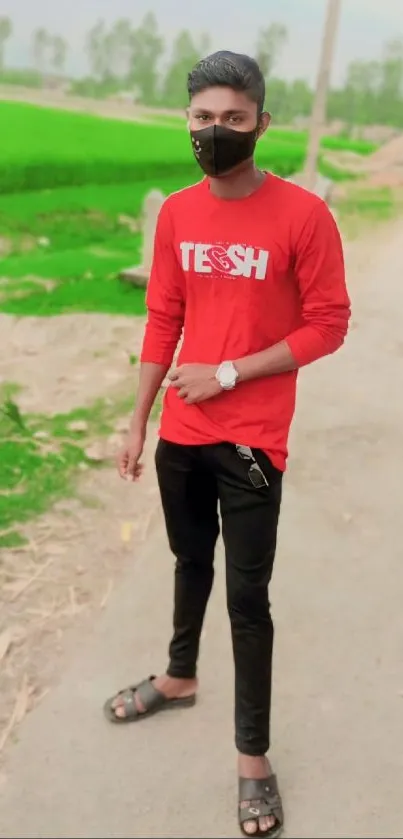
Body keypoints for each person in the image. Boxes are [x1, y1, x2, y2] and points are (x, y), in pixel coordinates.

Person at [104, 50, 351, 837]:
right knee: (186, 562)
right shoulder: (178, 212)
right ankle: (179, 677)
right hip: (181, 432)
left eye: (233, 119)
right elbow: (163, 318)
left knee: (247, 597)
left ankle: (252, 758)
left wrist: (231, 372)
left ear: (260, 124)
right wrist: (138, 416)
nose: (217, 132)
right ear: (188, 121)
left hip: (251, 440)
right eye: (203, 118)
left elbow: (328, 323)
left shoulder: (302, 216)